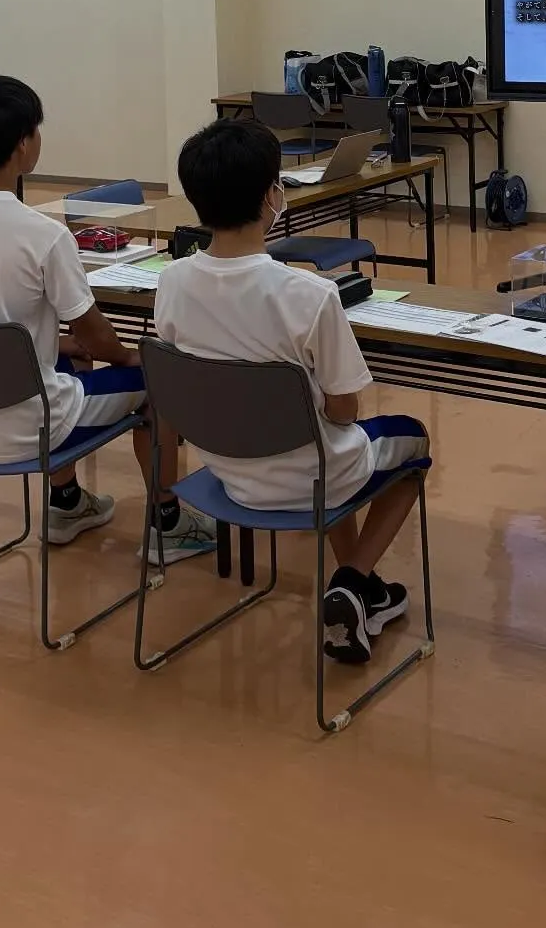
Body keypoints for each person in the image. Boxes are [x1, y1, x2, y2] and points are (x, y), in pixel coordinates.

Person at [155, 117, 431, 666]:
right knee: (411, 444)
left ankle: (362, 593)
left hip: (226, 474)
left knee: (332, 450)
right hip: (312, 473)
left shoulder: (172, 281)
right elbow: (346, 407)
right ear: (271, 195)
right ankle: (352, 580)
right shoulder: (310, 293)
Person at [0, 76, 215, 557]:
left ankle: (68, 501)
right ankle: (169, 521)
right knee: (157, 386)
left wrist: (71, 347)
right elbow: (98, 338)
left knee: (68, 360)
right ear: (23, 146)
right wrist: (134, 360)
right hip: (25, 423)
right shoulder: (42, 234)